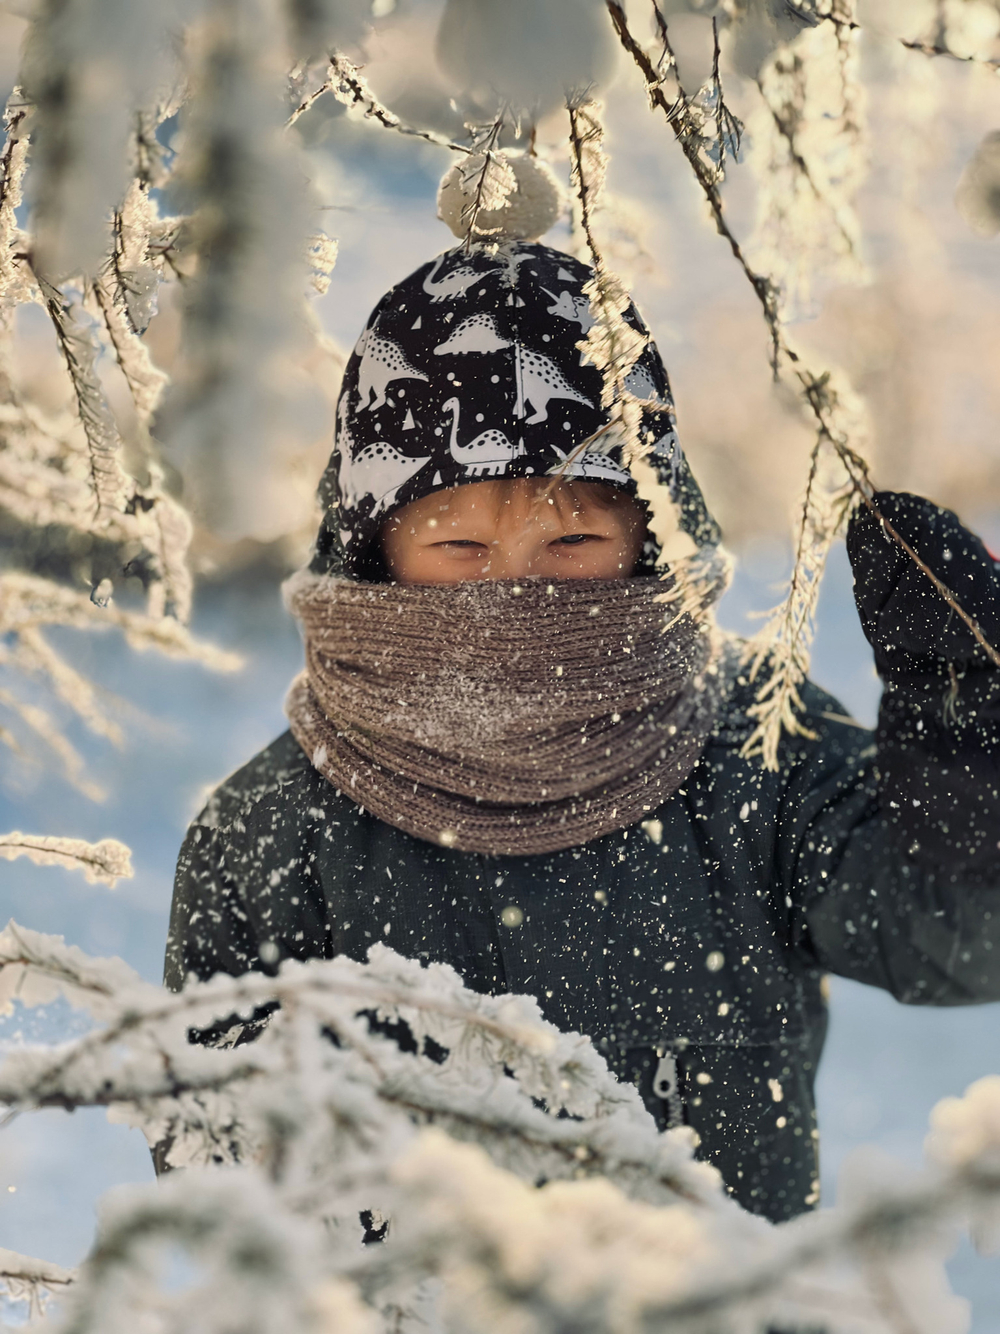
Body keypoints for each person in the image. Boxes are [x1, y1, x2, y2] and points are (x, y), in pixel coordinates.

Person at [165, 236, 1000, 1223]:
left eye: (573, 536)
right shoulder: (270, 832)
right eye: (458, 541)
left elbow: (963, 937)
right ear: (374, 547)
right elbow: (218, 1186)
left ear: (651, 534)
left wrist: (964, 734)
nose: (515, 585)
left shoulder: (757, 750)